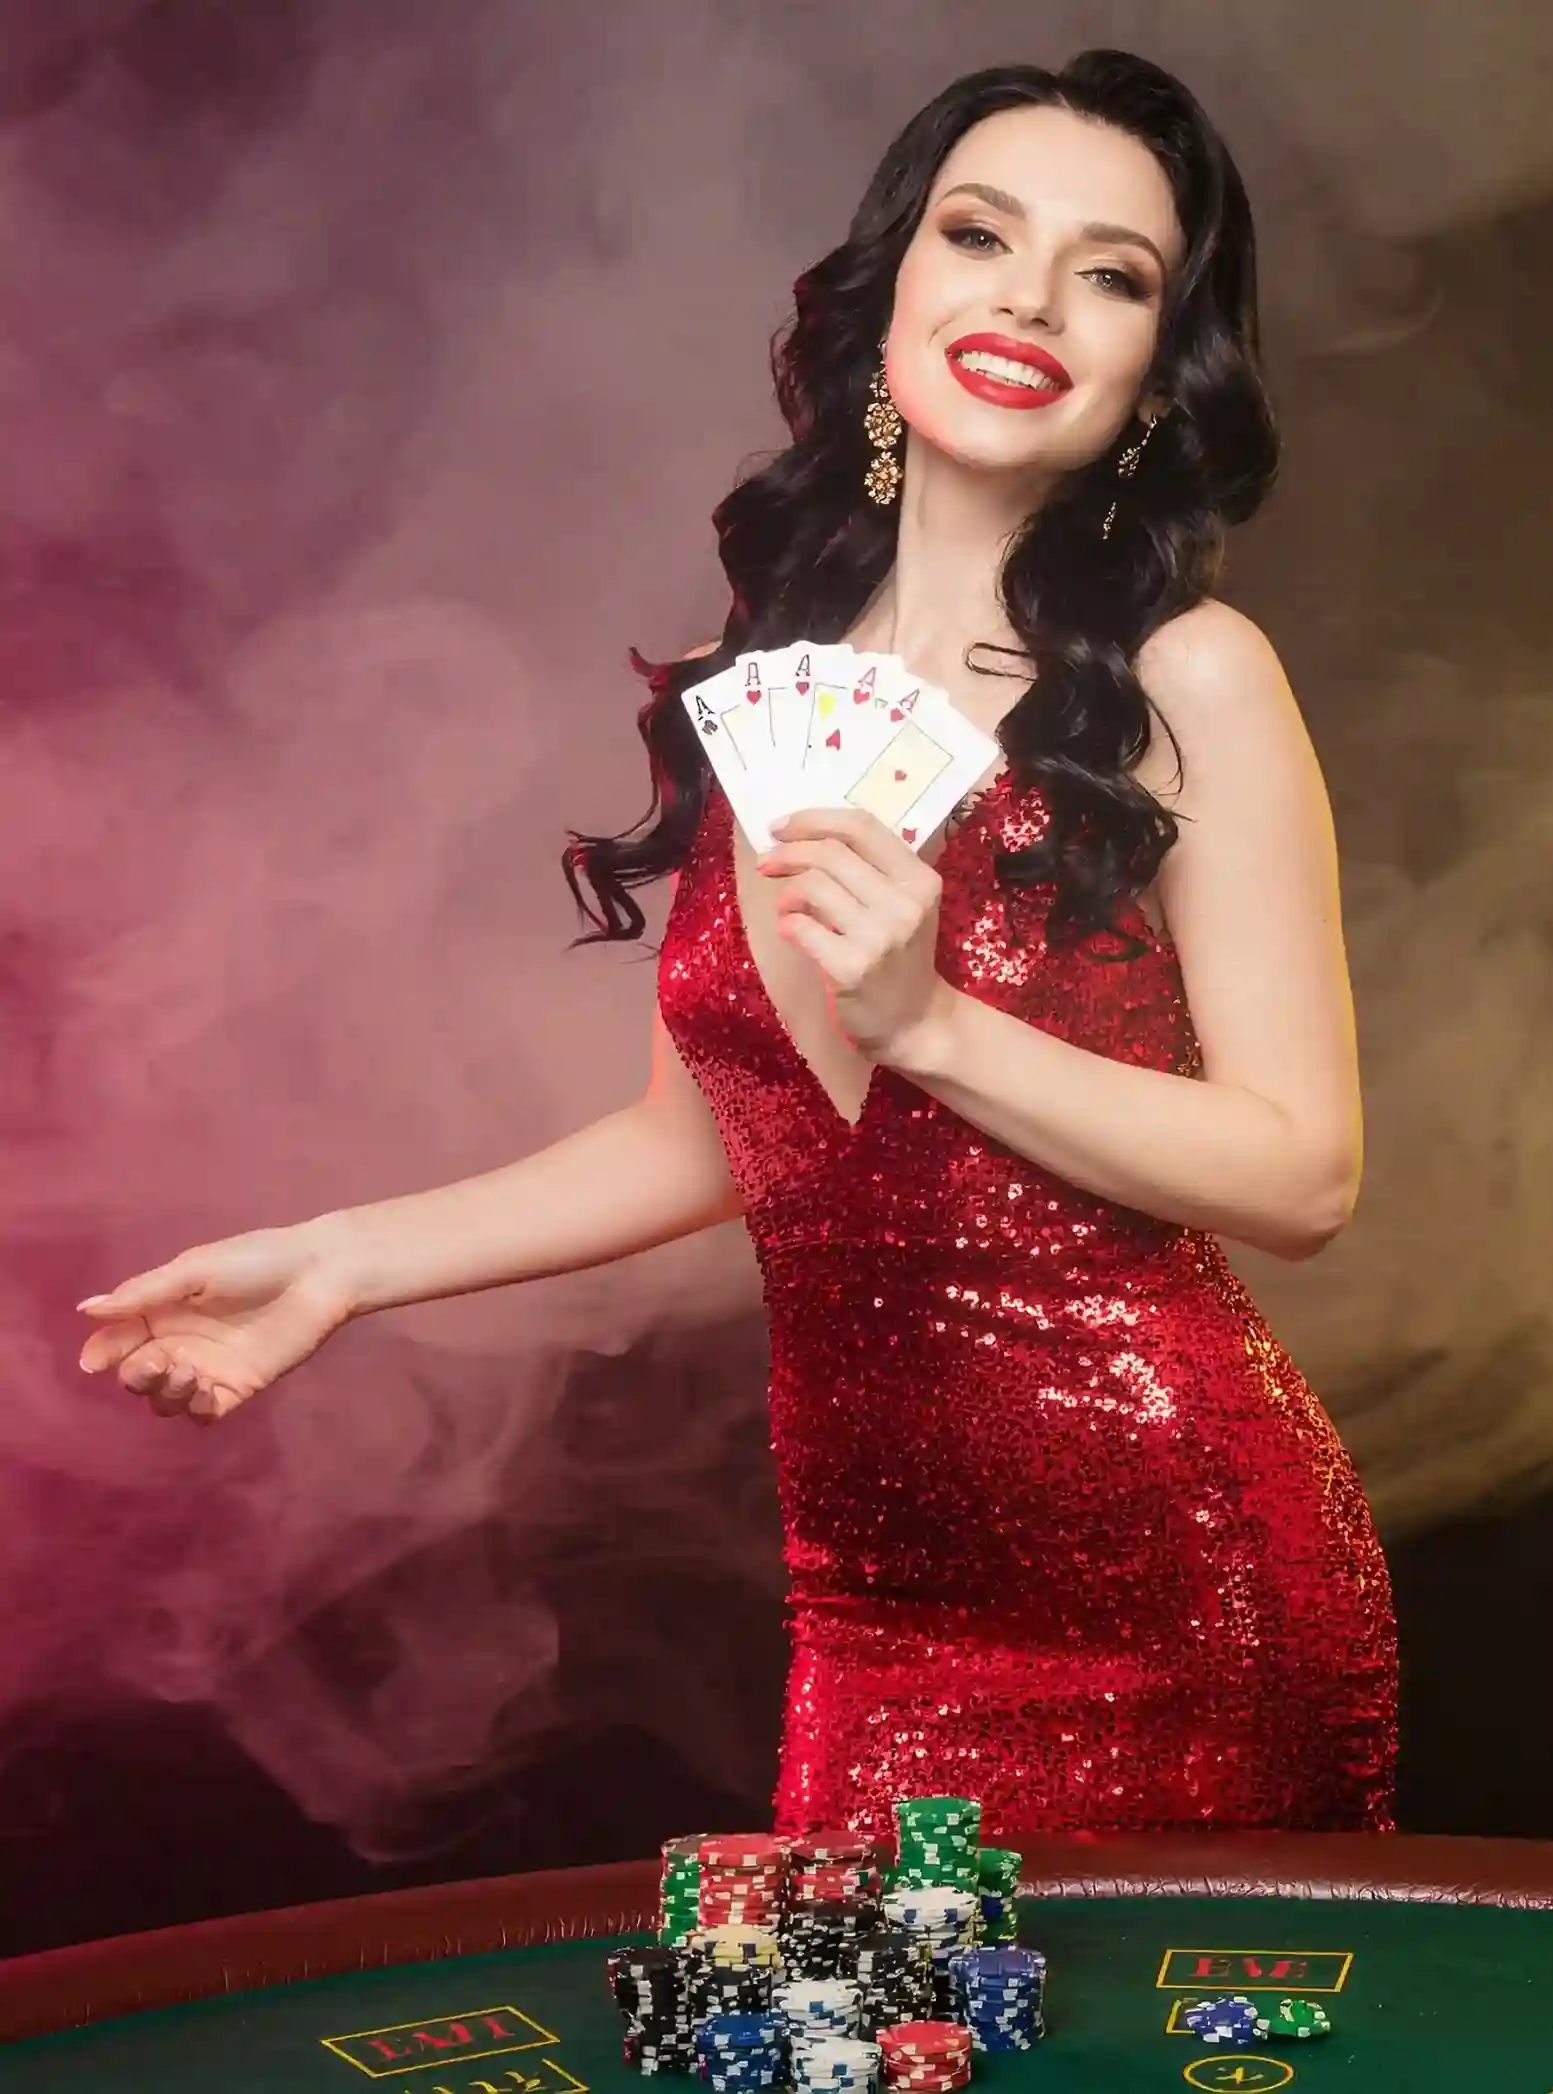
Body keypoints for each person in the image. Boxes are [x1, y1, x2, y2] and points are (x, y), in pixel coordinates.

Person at [75, 50, 1398, 1835]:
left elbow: (1302, 1169)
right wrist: (336, 1263)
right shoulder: (773, 670)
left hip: (1179, 1574)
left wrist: (934, 1026)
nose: (1027, 296)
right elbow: (706, 1133)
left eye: (1111, 273)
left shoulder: (1185, 678)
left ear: (1159, 372)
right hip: (871, 1609)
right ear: (892, 295)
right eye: (980, 233)